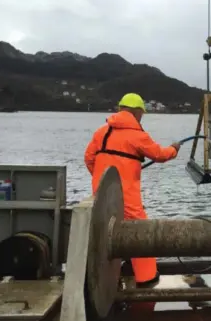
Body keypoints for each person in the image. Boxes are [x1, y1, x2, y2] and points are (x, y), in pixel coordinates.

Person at [84, 92, 181, 290]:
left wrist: (100, 180)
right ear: (137, 112)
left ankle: (114, 270)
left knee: (106, 231)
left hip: (102, 195)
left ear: (120, 109)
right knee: (140, 232)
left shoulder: (101, 132)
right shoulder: (138, 135)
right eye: (141, 113)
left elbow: (89, 158)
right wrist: (174, 149)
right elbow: (159, 155)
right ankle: (146, 278)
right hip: (126, 197)